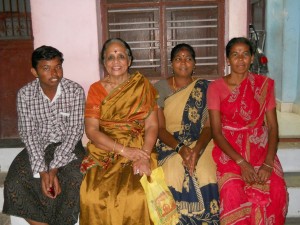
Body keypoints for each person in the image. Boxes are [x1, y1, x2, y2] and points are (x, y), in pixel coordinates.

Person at [207, 37, 288, 224]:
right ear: (228, 59)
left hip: (260, 147)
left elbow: (273, 126)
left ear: (252, 58)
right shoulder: (215, 87)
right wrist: (242, 163)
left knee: (276, 187)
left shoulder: (264, 85)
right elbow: (216, 132)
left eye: (245, 54)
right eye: (235, 55)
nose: (240, 59)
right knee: (232, 189)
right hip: (229, 149)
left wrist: (268, 163)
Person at [2, 45, 86, 225]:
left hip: (68, 145)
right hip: (38, 145)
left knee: (75, 177)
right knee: (14, 182)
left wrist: (53, 169)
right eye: (46, 68)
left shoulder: (75, 91)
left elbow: (74, 132)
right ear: (35, 71)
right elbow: (29, 133)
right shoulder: (25, 94)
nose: (54, 73)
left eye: (58, 67)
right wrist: (42, 171)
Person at [79, 38, 158, 225]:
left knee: (138, 196)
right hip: (105, 148)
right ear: (104, 62)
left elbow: (152, 126)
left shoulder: (143, 86)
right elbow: (91, 130)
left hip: (140, 148)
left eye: (121, 56)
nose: (116, 62)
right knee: (92, 196)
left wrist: (144, 155)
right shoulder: (96, 90)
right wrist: (124, 151)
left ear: (129, 61)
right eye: (110, 57)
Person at [154, 43, 220, 224]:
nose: (183, 63)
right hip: (170, 142)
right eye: (178, 59)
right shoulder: (159, 87)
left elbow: (208, 127)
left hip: (201, 141)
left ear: (194, 63)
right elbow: (159, 128)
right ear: (171, 63)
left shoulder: (206, 88)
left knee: (206, 171)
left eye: (188, 58)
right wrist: (181, 148)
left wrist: (197, 150)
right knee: (172, 171)